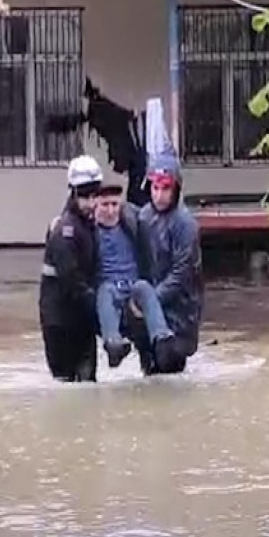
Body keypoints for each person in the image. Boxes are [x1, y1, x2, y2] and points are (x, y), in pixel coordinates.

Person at [125, 152, 203, 375]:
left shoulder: (185, 224)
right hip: (151, 309)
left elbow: (182, 273)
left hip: (180, 313)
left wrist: (151, 300)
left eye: (165, 189)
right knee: (149, 371)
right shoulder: (144, 217)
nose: (159, 195)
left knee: (170, 371)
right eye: (155, 188)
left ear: (176, 189)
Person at [92, 183, 176, 368]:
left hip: (133, 285)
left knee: (145, 288)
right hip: (108, 287)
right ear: (95, 206)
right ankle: (113, 343)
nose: (110, 211)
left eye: (114, 205)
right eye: (105, 205)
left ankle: (161, 337)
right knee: (105, 292)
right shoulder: (90, 233)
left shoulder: (131, 225)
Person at [39, 155, 103, 382]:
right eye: (86, 196)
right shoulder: (65, 230)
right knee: (66, 384)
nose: (91, 202)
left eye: (95, 195)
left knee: (87, 384)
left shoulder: (89, 226)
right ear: (74, 193)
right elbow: (72, 279)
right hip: (60, 321)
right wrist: (100, 310)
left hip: (80, 320)